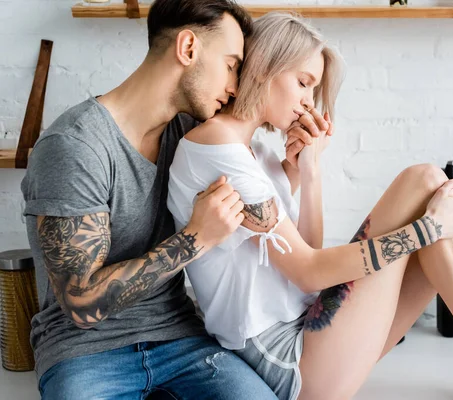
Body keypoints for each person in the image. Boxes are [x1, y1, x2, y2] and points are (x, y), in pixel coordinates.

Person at [167, 11, 453, 400]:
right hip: (289, 364)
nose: (307, 102)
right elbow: (308, 268)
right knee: (424, 182)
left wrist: (309, 172)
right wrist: (427, 229)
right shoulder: (216, 146)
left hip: (321, 337)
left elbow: (306, 275)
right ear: (265, 65)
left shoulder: (257, 155)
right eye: (303, 82)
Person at [17, 1, 321, 398]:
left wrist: (298, 166)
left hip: (182, 338)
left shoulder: (193, 134)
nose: (235, 85)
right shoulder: (75, 147)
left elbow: (264, 222)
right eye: (231, 65)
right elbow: (80, 302)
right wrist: (196, 238)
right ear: (188, 48)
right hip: (84, 354)